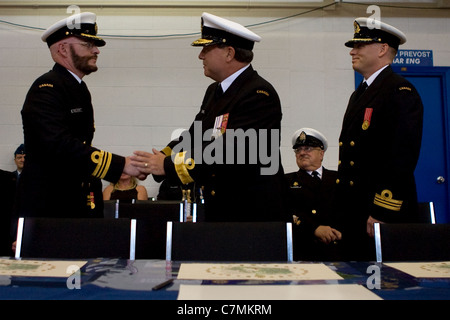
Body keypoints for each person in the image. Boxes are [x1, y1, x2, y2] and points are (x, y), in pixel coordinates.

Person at [131, 12, 288, 222]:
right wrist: (156, 160)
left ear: (229, 53)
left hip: (252, 213)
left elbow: (232, 150)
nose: (201, 55)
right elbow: (194, 137)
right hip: (223, 209)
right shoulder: (216, 91)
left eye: (206, 48)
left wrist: (168, 165)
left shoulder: (258, 93)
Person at [16, 12, 143, 219]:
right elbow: (58, 145)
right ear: (63, 49)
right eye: (87, 44)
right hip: (49, 207)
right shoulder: (47, 88)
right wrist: (120, 165)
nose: (96, 50)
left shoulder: (77, 88)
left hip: (76, 199)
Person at [335, 17, 424, 260]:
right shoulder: (361, 93)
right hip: (356, 209)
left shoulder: (399, 91)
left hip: (380, 212)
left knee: (385, 284)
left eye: (360, 45)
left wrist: (383, 211)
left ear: (383, 49)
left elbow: (401, 158)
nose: (352, 51)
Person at [285, 128, 341, 261]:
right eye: (298, 150)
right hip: (303, 251)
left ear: (321, 154)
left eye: (308, 148)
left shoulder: (339, 179)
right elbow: (286, 212)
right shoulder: (286, 181)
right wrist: (314, 229)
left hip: (338, 250)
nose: (302, 153)